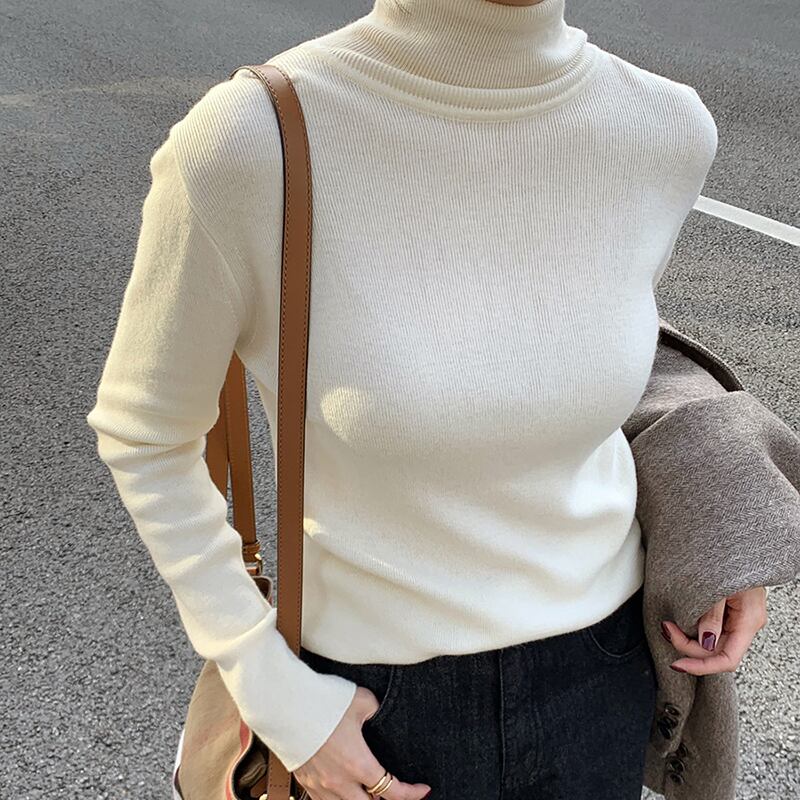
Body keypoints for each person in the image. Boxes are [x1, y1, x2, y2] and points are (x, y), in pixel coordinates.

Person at [85, 1, 770, 798]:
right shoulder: (251, 142)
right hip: (374, 710)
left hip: (604, 678)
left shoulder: (665, 130)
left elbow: (591, 373)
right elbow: (146, 432)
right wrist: (270, 687)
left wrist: (711, 541)